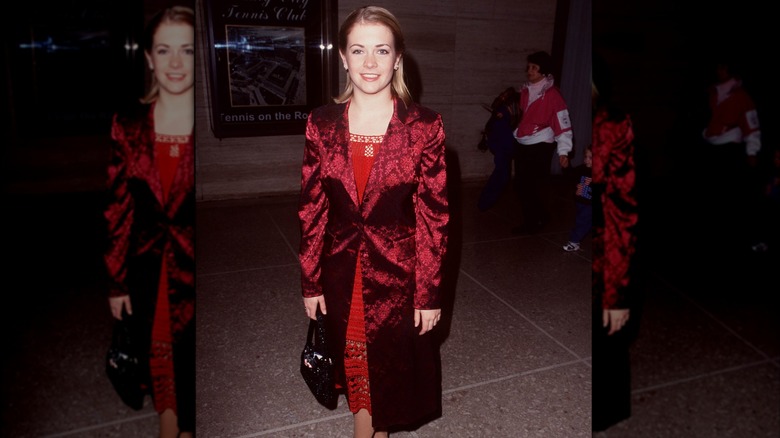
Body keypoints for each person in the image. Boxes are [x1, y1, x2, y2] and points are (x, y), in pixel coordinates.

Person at [298, 6, 449, 438]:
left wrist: (429, 292)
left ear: (398, 58)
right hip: (340, 269)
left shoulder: (424, 126)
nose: (369, 63)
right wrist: (310, 281)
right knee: (356, 361)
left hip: (399, 276)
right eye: (358, 50)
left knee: (384, 366)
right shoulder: (321, 124)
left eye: (381, 51)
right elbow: (311, 208)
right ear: (342, 57)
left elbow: (434, 216)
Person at [104, 6, 195, 437]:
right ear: (149, 58)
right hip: (150, 272)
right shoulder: (128, 127)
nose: (175, 63)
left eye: (187, 50)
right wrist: (117, 282)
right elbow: (117, 210)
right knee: (161, 361)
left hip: (196, 274)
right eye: (164, 50)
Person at [591, 66, 640, 432]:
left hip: (606, 266)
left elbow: (622, 213)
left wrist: (616, 295)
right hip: (591, 258)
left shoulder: (613, 123)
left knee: (608, 347)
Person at [510, 50, 573, 235]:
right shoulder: (525, 90)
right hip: (523, 142)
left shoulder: (553, 95)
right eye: (529, 67)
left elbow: (563, 125)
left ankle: (531, 223)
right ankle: (542, 215)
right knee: (520, 185)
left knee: (527, 185)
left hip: (541, 144)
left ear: (544, 72)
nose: (529, 71)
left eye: (534, 68)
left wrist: (564, 152)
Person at [477, 86, 521, 212]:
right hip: (503, 147)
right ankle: (484, 203)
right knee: (502, 176)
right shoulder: (505, 112)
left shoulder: (503, 112)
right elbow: (502, 136)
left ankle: (484, 203)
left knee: (501, 175)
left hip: (501, 147)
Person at [562, 144, 592, 251]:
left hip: (590, 204)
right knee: (581, 220)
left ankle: (574, 241)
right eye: (585, 157)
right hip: (580, 201)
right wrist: (566, 166)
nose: (586, 160)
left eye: (591, 158)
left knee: (582, 221)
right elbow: (571, 175)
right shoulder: (582, 169)